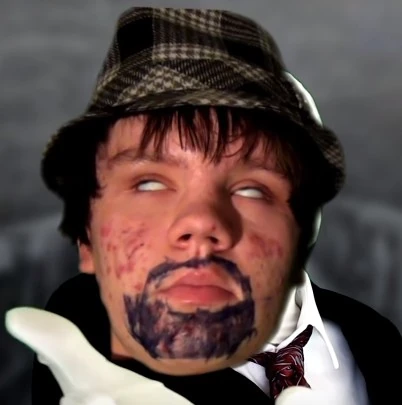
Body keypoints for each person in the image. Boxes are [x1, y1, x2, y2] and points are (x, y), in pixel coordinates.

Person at [27, 6, 401, 405]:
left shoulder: (372, 336)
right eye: (150, 184)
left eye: (251, 188)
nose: (201, 221)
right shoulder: (85, 330)